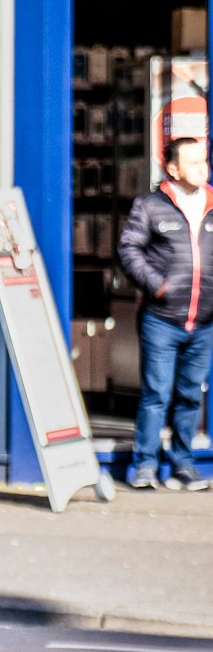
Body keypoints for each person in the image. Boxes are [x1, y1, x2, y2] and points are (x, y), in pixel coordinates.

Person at [118, 136, 213, 491]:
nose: (202, 168)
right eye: (193, 162)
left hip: (204, 322)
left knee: (191, 395)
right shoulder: (151, 206)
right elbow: (129, 250)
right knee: (156, 394)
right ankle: (145, 465)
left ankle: (183, 465)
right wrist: (157, 286)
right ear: (172, 169)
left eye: (204, 161)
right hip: (162, 319)